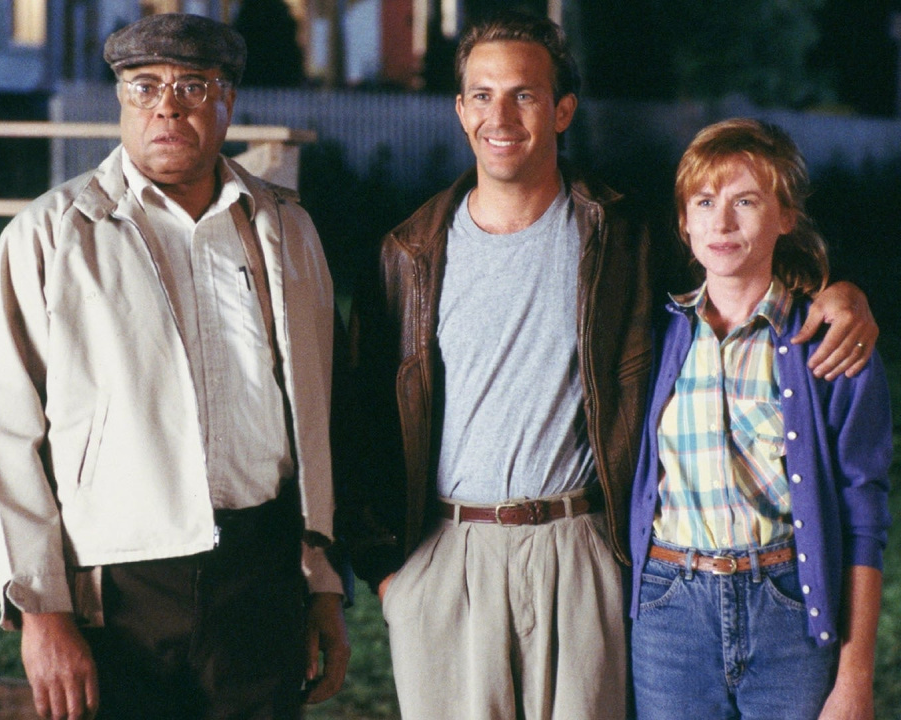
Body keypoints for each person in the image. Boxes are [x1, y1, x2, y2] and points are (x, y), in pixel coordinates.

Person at [336, 11, 879, 720]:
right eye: (480, 93)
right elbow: (360, 417)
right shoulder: (408, 253)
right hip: (450, 557)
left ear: (562, 109)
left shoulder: (623, 236)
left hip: (583, 550)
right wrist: (390, 576)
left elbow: (738, 264)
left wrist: (843, 291)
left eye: (524, 94)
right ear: (460, 108)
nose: (499, 114)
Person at [0, 13, 349, 720]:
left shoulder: (285, 229)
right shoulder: (49, 236)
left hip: (260, 572)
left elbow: (316, 414)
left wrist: (320, 580)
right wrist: (42, 610)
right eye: (144, 87)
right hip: (118, 590)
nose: (167, 106)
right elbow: (6, 437)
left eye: (193, 86)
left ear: (228, 100)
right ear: (120, 101)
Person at [627, 118, 890, 720]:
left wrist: (855, 680)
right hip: (669, 610)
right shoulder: (651, 338)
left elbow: (864, 515)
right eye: (704, 202)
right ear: (684, 221)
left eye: (746, 201)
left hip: (788, 611)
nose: (722, 223)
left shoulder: (831, 345)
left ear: (786, 216)